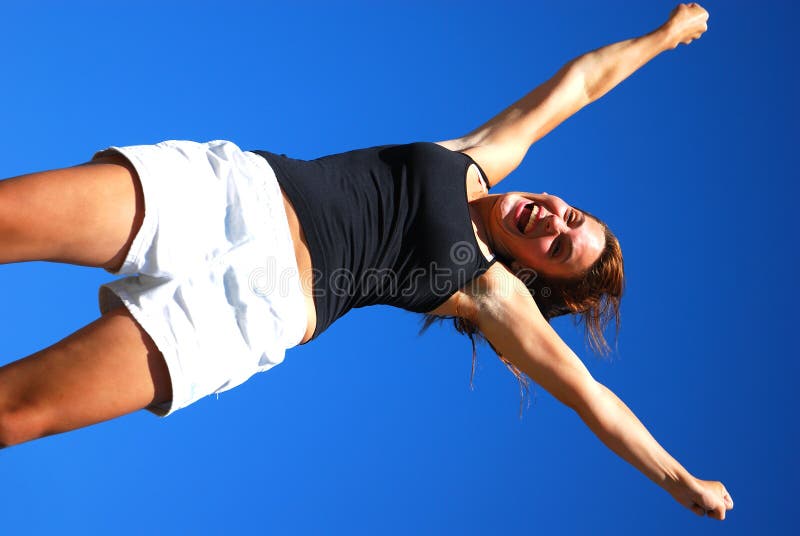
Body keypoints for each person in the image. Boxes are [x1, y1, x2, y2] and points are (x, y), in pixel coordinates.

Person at [0, 2, 732, 521]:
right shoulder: (481, 158)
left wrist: (679, 480)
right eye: (571, 216)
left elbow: (589, 398)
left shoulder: (489, 292)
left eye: (558, 246)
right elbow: (580, 85)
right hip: (230, 195)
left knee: (15, 413)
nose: (552, 221)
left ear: (536, 272)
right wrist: (664, 36)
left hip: (250, 312)